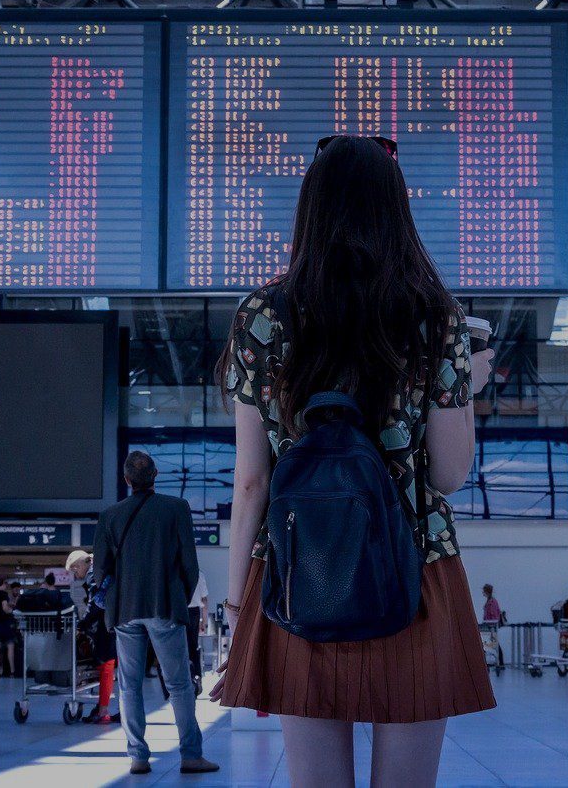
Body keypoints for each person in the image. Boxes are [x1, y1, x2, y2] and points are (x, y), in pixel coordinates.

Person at [210, 135, 497, 788]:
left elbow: (252, 478)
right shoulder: (434, 316)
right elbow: (449, 475)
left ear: (310, 209)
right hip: (415, 570)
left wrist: (236, 601)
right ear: (396, 210)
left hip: (297, 570)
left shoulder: (263, 314)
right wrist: (463, 392)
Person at [93, 451, 217, 776]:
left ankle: (138, 757)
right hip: (165, 606)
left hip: (124, 611)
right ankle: (191, 755)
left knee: (129, 685)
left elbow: (99, 570)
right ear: (156, 474)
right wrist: (180, 597)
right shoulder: (176, 508)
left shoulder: (110, 515)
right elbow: (190, 564)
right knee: (179, 684)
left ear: (126, 479)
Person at [67, 550, 117, 724]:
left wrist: (83, 623)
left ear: (80, 565)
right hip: (114, 620)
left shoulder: (92, 574)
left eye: (74, 570)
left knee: (106, 665)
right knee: (109, 665)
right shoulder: (103, 568)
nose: (75, 574)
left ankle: (103, 710)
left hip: (105, 624)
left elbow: (96, 601)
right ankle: (104, 707)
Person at [186, 572, 209, 696]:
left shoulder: (174, 571)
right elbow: (204, 600)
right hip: (194, 613)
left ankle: (184, 680)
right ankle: (197, 677)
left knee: (180, 648)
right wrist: (204, 622)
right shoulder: (199, 574)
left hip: (179, 612)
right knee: (193, 648)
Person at [482, 584, 505, 669]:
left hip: (492, 626)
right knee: (493, 644)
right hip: (490, 625)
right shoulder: (490, 601)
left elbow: (494, 614)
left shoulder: (492, 602)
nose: (482, 593)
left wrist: (490, 624)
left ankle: (500, 662)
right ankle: (500, 661)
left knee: (494, 644)